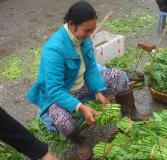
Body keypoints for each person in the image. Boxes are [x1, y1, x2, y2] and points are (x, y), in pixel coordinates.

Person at [26, 1, 151, 159]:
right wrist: (80, 107)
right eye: (86, 30)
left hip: (82, 86)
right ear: (71, 25)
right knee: (61, 120)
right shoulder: (54, 49)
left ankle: (131, 114)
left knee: (118, 76)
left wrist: (98, 90)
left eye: (92, 29)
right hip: (60, 95)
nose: (90, 34)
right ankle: (80, 142)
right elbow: (55, 90)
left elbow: (91, 68)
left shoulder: (84, 40)